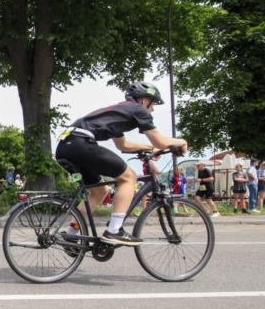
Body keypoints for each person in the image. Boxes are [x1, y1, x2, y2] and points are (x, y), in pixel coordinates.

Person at [54, 81, 187, 246]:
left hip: (65, 148)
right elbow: (160, 141)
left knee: (99, 192)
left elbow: (122, 145)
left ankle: (72, 234)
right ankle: (114, 230)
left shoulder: (118, 112)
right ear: (145, 100)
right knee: (128, 177)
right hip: (81, 144)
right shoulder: (138, 110)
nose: (152, 109)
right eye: (153, 104)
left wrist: (149, 148)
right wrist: (181, 141)